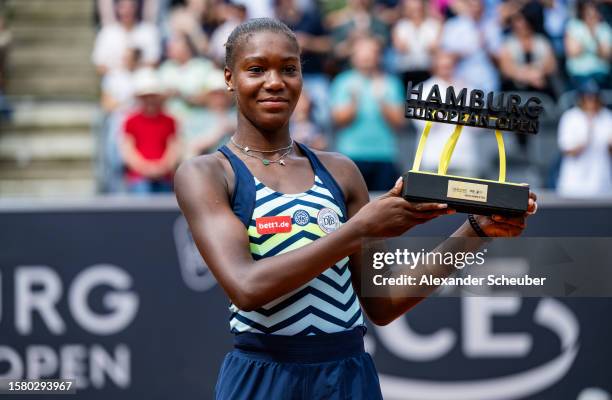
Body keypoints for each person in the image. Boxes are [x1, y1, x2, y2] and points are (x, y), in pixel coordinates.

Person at [174, 18, 537, 400]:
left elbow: (382, 303)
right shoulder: (208, 173)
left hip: (347, 376)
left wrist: (475, 232)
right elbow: (246, 288)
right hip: (262, 376)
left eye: (289, 69)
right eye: (256, 69)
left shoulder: (339, 171)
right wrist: (360, 229)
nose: (275, 82)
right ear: (230, 78)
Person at [330, 35, 404, 191]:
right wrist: (354, 102)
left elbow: (399, 122)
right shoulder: (342, 81)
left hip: (384, 154)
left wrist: (382, 100)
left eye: (371, 52)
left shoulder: (391, 82)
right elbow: (338, 120)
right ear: (354, 56)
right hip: (351, 155)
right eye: (361, 52)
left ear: (379, 56)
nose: (366, 57)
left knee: (383, 206)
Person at [120, 68, 180, 194]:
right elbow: (127, 150)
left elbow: (173, 148)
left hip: (164, 177)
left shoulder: (170, 120)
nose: (150, 100)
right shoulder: (131, 120)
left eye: (153, 96)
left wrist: (162, 167)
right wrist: (146, 169)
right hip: (139, 177)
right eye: (146, 97)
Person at [556, 81, 612, 197]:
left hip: (602, 185)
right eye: (587, 97)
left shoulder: (607, 117)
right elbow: (568, 151)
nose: (591, 101)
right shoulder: (570, 117)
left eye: (594, 97)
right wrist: (588, 134)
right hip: (574, 186)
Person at [92, 0, 160, 75]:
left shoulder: (149, 31)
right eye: (123, 7)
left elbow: (154, 62)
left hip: (143, 80)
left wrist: (134, 65)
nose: (127, 11)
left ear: (136, 8)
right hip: (115, 80)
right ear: (117, 9)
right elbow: (99, 67)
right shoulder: (107, 32)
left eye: (131, 7)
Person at [499, 7, 558, 96]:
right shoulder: (508, 43)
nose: (521, 25)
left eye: (524, 21)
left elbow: (552, 66)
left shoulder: (541, 41)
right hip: (516, 92)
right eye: (517, 22)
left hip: (541, 89)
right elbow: (506, 69)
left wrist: (538, 73)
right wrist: (528, 76)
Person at [392, 0, 441, 87]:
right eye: (412, 9)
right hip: (407, 70)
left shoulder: (432, 25)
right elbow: (400, 47)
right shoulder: (401, 25)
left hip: (427, 69)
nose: (415, 12)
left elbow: (435, 48)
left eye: (418, 9)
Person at [564, 0, 612, 88]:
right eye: (588, 13)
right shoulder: (573, 25)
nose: (591, 16)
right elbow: (573, 52)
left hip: (600, 74)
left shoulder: (604, 28)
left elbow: (606, 54)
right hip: (579, 74)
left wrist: (593, 34)